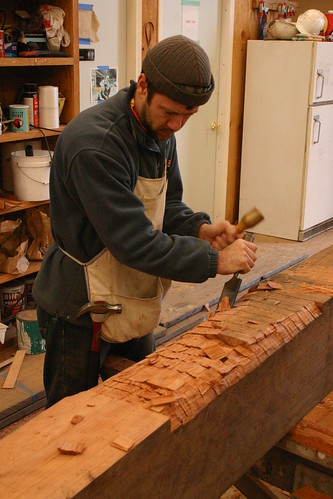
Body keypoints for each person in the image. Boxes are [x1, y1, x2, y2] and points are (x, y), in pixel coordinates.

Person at [33, 35, 257, 408]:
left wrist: (199, 229)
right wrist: (213, 261)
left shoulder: (159, 129)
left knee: (143, 405)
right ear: (142, 86)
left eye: (188, 115)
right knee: (70, 423)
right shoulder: (97, 145)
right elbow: (133, 241)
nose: (178, 124)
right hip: (80, 307)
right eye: (170, 111)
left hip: (133, 296)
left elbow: (166, 204)